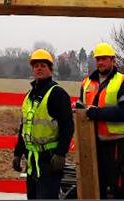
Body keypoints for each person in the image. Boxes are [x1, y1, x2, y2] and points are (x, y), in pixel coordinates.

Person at [12, 48, 74, 199]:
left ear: (50, 69)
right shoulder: (29, 96)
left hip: (50, 160)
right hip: (32, 161)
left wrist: (60, 153)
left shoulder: (58, 94)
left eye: (43, 65)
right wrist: (18, 153)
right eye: (36, 65)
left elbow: (68, 126)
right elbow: (24, 127)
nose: (39, 68)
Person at [77, 42, 124, 199]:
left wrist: (98, 113)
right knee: (96, 188)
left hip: (117, 145)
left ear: (112, 60)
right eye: (98, 59)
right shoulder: (86, 83)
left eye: (104, 59)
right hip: (92, 145)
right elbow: (82, 108)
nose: (100, 62)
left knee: (120, 190)